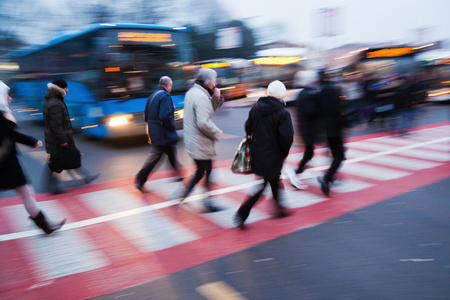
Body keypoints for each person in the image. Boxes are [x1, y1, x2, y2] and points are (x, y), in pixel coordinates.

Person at [0, 81, 66, 234]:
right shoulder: (2, 117)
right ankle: (44, 225)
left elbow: (11, 135)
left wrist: (32, 141)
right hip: (6, 164)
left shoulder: (3, 116)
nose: (10, 99)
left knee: (27, 192)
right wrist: (10, 122)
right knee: (26, 192)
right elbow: (6, 135)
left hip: (7, 162)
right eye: (7, 96)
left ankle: (44, 224)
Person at [234, 80, 294, 230]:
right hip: (273, 154)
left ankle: (279, 208)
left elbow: (247, 127)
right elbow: (286, 138)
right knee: (263, 184)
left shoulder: (256, 108)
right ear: (282, 94)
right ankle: (241, 213)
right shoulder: (282, 113)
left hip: (257, 152)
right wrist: (283, 153)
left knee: (273, 179)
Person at [178, 68, 224, 213]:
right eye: (215, 81)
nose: (215, 84)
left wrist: (216, 98)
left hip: (193, 140)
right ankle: (206, 202)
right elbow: (204, 122)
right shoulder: (201, 97)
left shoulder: (193, 92)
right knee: (206, 171)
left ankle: (184, 195)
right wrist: (217, 132)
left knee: (201, 170)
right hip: (201, 141)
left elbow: (207, 111)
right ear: (209, 83)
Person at [42, 79, 99, 194]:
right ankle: (52, 186)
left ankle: (85, 176)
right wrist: (63, 140)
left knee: (66, 157)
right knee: (62, 159)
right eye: (65, 88)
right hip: (57, 139)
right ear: (59, 89)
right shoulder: (55, 103)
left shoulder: (55, 101)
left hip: (57, 137)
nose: (67, 90)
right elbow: (56, 125)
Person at [135, 76, 183, 193]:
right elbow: (165, 116)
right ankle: (140, 178)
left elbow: (146, 116)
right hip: (163, 133)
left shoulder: (152, 96)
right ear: (168, 86)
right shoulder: (165, 96)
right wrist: (172, 127)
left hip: (154, 131)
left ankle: (178, 173)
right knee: (156, 156)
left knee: (171, 152)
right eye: (171, 86)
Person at [287, 70, 321, 190]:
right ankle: (295, 172)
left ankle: (298, 171)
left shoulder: (303, 93)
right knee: (309, 152)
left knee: (309, 152)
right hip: (307, 129)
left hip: (305, 128)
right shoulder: (305, 94)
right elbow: (310, 111)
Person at [316, 70, 346, 196]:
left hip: (327, 129)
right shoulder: (331, 89)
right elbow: (336, 108)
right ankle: (327, 177)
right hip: (335, 128)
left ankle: (330, 177)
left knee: (335, 156)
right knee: (340, 157)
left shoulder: (320, 91)